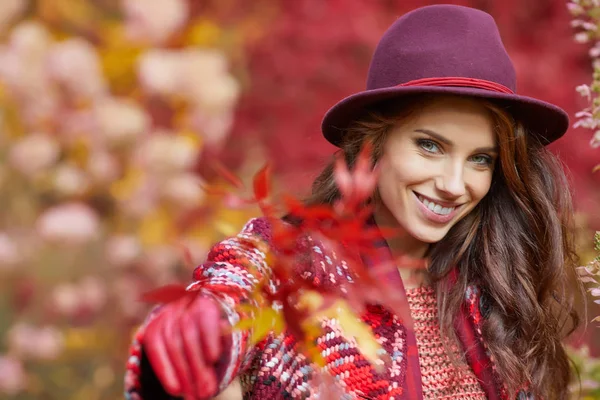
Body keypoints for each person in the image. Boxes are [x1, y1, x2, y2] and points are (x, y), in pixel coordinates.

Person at [124, 4, 580, 400]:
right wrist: (193, 333)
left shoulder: (494, 281)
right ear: (373, 143)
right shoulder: (290, 260)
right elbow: (225, 299)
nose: (454, 184)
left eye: (481, 159)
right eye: (430, 146)